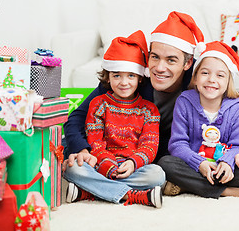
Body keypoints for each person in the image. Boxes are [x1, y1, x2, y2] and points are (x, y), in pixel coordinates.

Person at [63, 11, 239, 196]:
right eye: (155, 57)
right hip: (127, 155)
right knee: (73, 162)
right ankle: (132, 193)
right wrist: (82, 149)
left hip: (161, 159)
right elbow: (77, 118)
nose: (160, 68)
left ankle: (191, 185)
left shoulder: (202, 79)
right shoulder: (128, 77)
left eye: (171, 60)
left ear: (188, 64)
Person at [63, 30, 165, 208]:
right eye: (117, 75)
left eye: (131, 75)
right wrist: (106, 164)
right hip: (101, 162)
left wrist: (133, 163)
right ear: (108, 77)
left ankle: (88, 192)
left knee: (157, 175)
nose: (124, 82)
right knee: (72, 167)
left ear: (140, 78)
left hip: (132, 166)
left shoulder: (149, 110)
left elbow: (149, 144)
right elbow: (94, 140)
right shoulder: (99, 104)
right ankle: (131, 195)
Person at [164, 41, 239, 199]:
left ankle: (188, 186)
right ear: (196, 77)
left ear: (228, 82)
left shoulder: (237, 107)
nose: (212, 79)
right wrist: (200, 163)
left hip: (223, 165)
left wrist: (227, 162)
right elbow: (177, 144)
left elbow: (238, 144)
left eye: (220, 75)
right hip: (194, 164)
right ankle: (229, 191)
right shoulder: (184, 101)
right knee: (166, 164)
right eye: (205, 73)